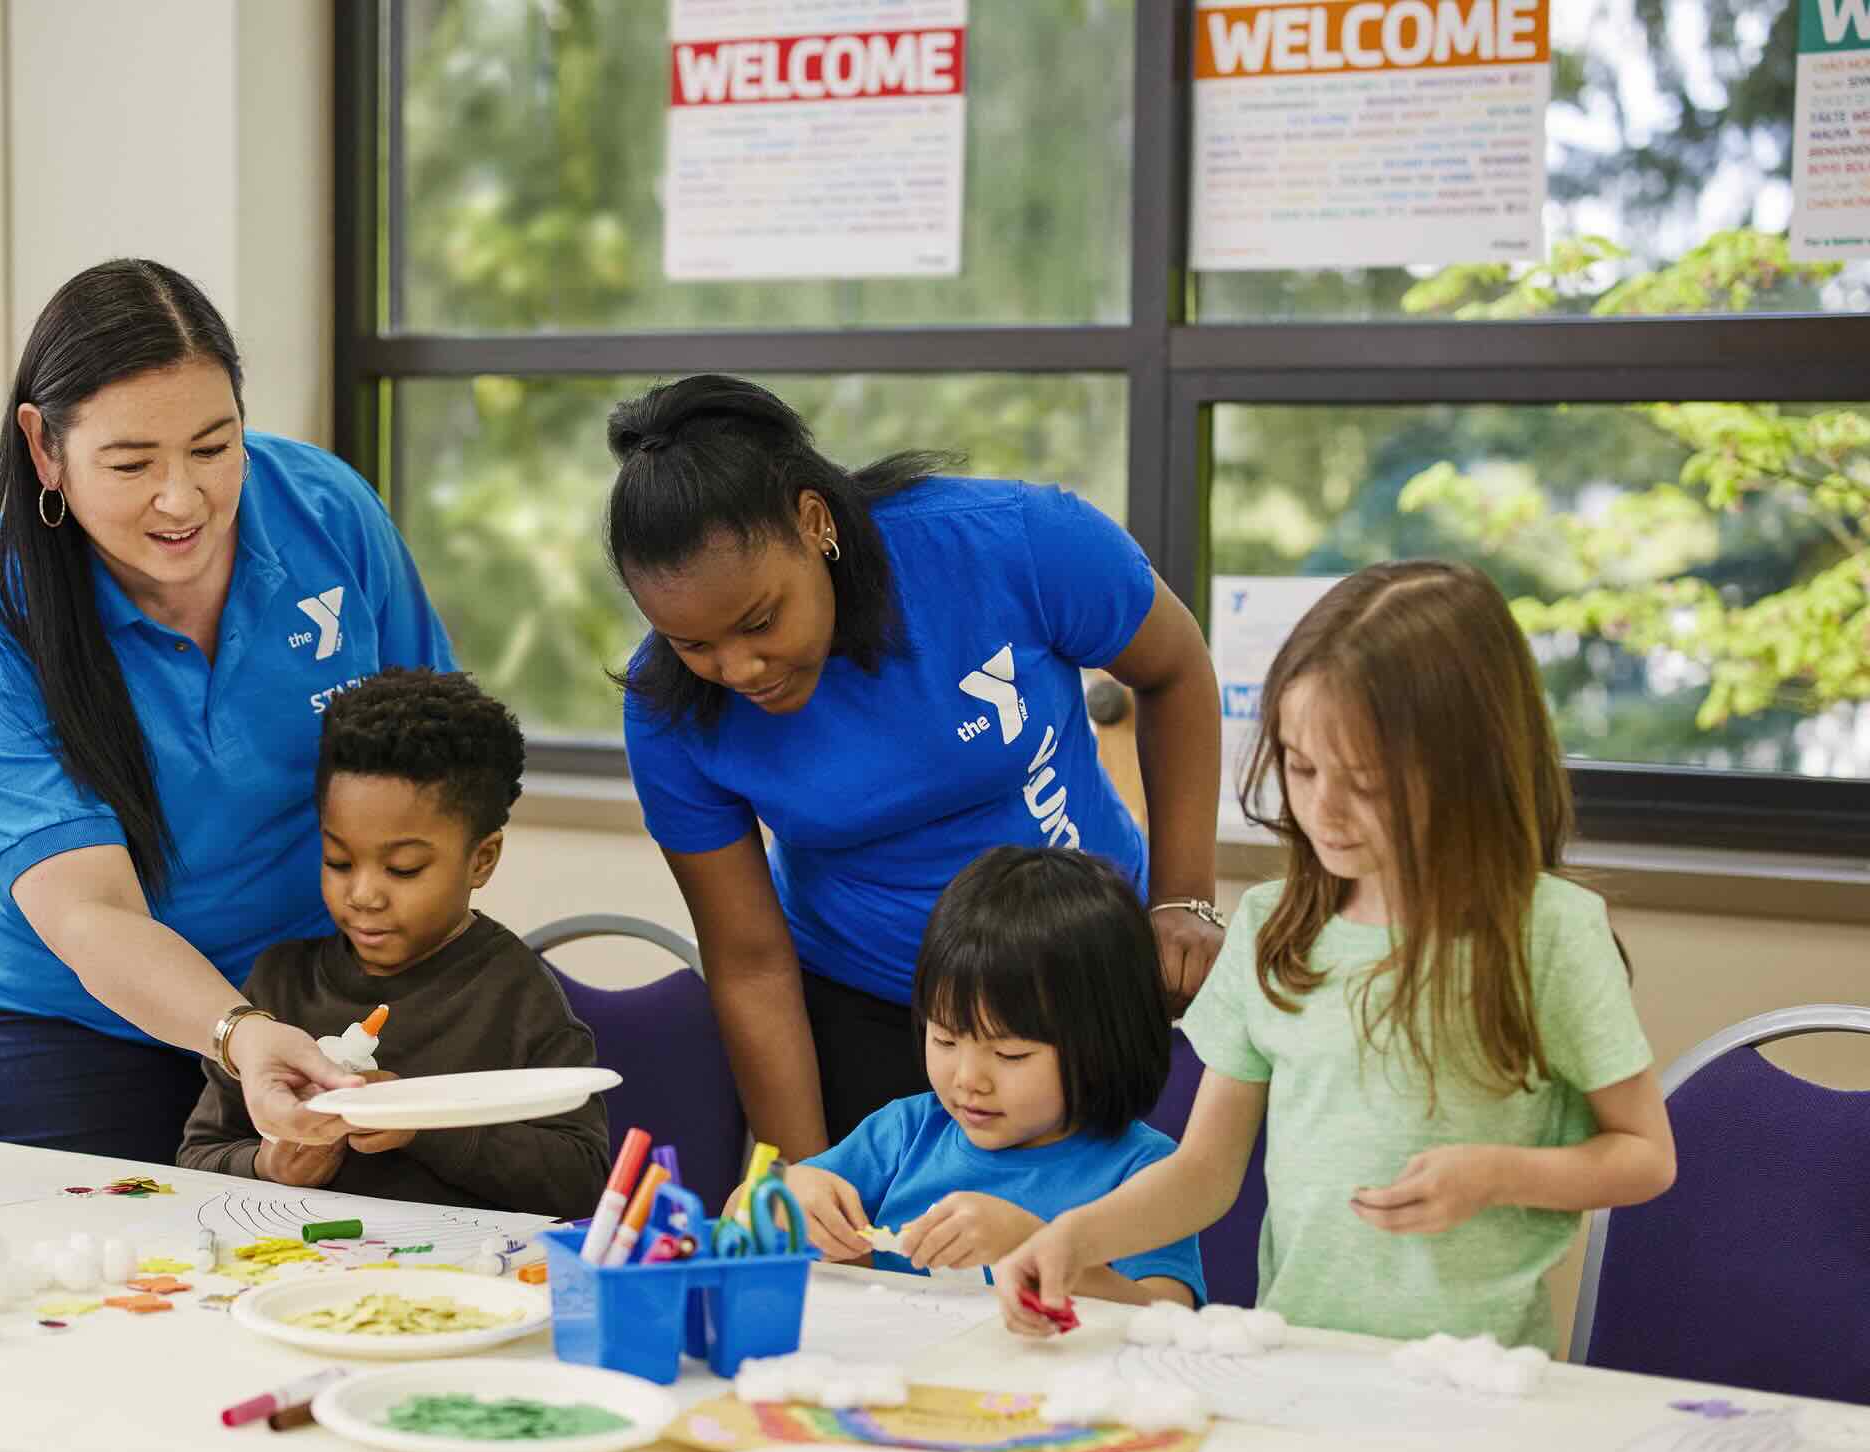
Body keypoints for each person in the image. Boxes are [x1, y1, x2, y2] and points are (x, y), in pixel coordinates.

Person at [996, 561, 1677, 1351]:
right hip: (1302, 1359)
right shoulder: (1269, 926)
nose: (1322, 810)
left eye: (1366, 782)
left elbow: (1643, 1156)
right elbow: (1205, 1172)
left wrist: (1497, 1175)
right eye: (1301, 766)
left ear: (1468, 766)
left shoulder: (1549, 933)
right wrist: (1072, 1239)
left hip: (1476, 1375)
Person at [608, 375, 1226, 1161]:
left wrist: (1184, 899)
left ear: (813, 523)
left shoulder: (1009, 543)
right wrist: (801, 1175)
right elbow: (751, 964)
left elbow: (1172, 670)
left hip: (1089, 974)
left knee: (1101, 1255)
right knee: (892, 1261)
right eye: (691, 644)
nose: (738, 669)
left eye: (759, 621)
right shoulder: (669, 711)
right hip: (871, 1007)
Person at [0, 260, 457, 1161]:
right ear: (44, 446)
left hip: (312, 976)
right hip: (71, 1017)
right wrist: (238, 1033)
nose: (182, 499)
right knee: (132, 1278)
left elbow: (436, 753)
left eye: (214, 448)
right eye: (132, 463)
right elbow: (91, 915)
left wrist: (425, 976)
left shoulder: (325, 513)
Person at [178, 669, 609, 1216]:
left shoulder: (516, 995)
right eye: (338, 861)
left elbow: (584, 1180)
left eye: (403, 869)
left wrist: (425, 1121)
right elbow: (196, 1157)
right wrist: (268, 1166)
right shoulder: (280, 984)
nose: (363, 895)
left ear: (482, 860)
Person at [782, 846, 1203, 1306]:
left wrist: (1032, 1246)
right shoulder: (906, 1135)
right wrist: (786, 1196)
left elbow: (1167, 1321)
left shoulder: (1144, 1174)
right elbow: (738, 1216)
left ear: (1104, 1042)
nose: (968, 1079)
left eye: (1010, 1053)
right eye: (944, 1039)